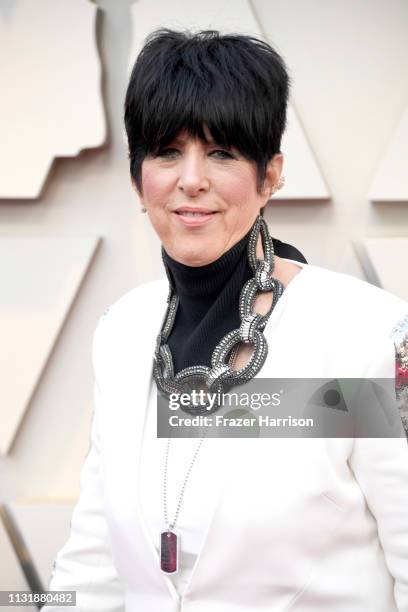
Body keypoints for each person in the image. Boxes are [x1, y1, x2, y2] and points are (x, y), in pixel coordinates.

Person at [46, 29, 408, 611]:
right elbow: (92, 566)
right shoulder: (122, 332)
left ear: (271, 174)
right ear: (138, 177)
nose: (192, 179)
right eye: (167, 152)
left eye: (222, 153)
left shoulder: (366, 335)